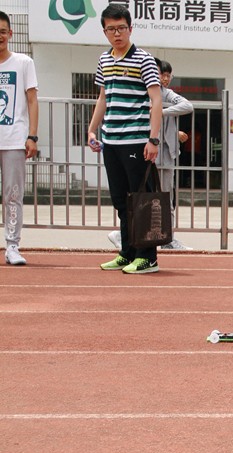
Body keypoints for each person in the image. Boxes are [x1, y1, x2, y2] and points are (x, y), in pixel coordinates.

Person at [87, 4, 162, 274]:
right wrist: (92, 129)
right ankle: (127, 251)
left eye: (121, 28)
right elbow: (103, 98)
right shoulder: (104, 60)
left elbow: (156, 101)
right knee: (121, 200)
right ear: (104, 31)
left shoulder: (144, 59)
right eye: (111, 29)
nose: (116, 34)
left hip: (136, 140)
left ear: (130, 28)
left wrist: (152, 140)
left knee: (141, 199)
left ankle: (148, 257)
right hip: (112, 141)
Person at [107, 58, 193, 251]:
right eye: (162, 73)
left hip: (164, 155)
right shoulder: (139, 92)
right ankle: (124, 235)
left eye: (168, 75)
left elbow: (188, 106)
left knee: (164, 199)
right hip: (142, 152)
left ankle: (167, 239)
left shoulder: (165, 94)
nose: (164, 78)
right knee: (140, 198)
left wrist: (160, 112)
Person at [0, 11, 38, 266]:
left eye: (3, 31)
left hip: (14, 139)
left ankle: (12, 246)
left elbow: (32, 100)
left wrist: (32, 135)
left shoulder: (23, 62)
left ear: (10, 34)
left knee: (12, 195)